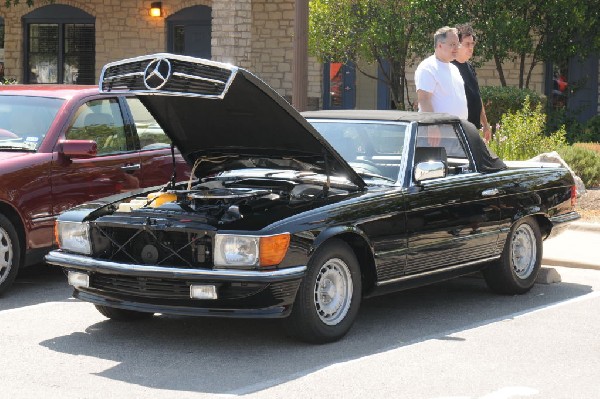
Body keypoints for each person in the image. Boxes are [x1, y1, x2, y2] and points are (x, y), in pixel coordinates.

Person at [415, 26, 468, 120]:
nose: (456, 48)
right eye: (452, 44)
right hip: (440, 130)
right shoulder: (428, 67)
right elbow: (424, 100)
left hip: (457, 129)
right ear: (440, 45)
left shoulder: (454, 69)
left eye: (457, 44)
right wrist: (432, 127)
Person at [452, 23, 492, 142]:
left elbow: (477, 96)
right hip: (457, 131)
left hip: (472, 129)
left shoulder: (470, 67)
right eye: (467, 44)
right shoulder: (450, 68)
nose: (471, 47)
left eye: (472, 44)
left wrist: (485, 124)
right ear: (457, 45)